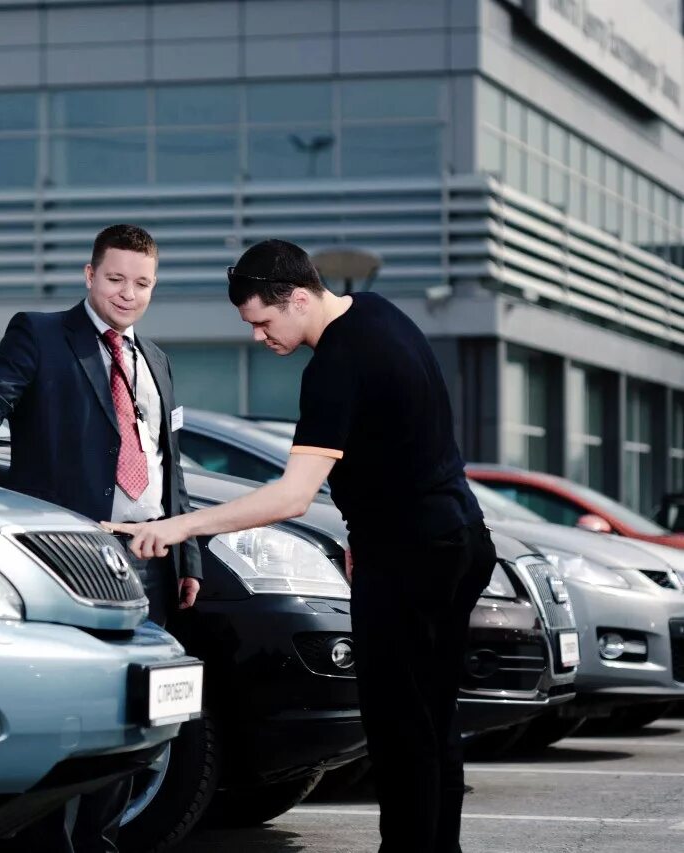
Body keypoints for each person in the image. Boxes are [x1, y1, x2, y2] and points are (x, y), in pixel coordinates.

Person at [105, 239, 495, 853]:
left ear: (300, 297)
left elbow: (290, 497)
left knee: (399, 729)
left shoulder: (336, 364)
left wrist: (181, 526)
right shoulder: (379, 313)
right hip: (459, 541)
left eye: (263, 321)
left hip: (412, 560)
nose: (260, 337)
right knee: (432, 720)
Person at [0, 223, 202, 853]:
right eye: (115, 279)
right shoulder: (43, 334)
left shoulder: (156, 360)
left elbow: (168, 464)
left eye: (142, 283)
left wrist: (188, 553)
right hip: (71, 558)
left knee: (139, 713)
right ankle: (38, 844)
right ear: (88, 274)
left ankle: (98, 838)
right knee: (67, 710)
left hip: (148, 557)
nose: (128, 294)